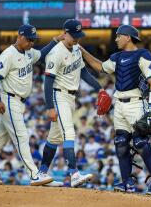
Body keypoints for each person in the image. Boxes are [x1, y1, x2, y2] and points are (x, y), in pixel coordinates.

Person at [80, 25, 151, 195]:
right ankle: (127, 182)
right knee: (120, 143)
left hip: (136, 103)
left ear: (128, 37)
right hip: (119, 103)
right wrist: (81, 50)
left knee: (140, 142)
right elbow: (100, 67)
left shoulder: (143, 54)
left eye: (119, 36)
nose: (116, 39)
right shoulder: (116, 57)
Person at [0, 24, 64, 186]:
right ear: (19, 37)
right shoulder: (8, 54)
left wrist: (54, 41)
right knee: (22, 136)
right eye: (29, 39)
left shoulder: (29, 52)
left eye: (33, 40)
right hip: (8, 99)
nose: (31, 43)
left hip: (18, 101)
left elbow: (41, 55)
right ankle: (34, 174)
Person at [38, 19, 104, 187]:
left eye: (78, 35)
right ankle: (74, 173)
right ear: (65, 33)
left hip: (71, 98)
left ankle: (42, 173)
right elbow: (48, 82)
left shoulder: (76, 49)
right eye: (73, 35)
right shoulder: (56, 52)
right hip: (59, 96)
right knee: (69, 133)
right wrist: (49, 107)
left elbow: (84, 74)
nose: (76, 38)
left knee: (54, 137)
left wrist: (100, 88)